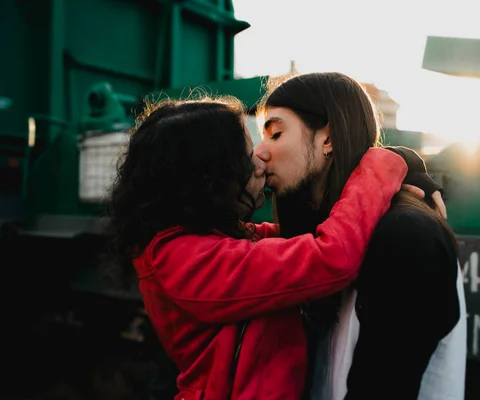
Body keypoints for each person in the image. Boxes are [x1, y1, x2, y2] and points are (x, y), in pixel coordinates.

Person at [105, 94, 437, 399]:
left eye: (273, 137)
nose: (261, 158)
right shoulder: (187, 259)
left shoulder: (211, 239)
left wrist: (404, 166)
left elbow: (307, 235)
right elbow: (331, 255)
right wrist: (380, 166)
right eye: (247, 153)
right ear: (212, 173)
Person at [254, 71, 467, 399]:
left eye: (276, 133)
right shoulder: (325, 235)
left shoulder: (406, 236)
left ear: (328, 139)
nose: (261, 152)